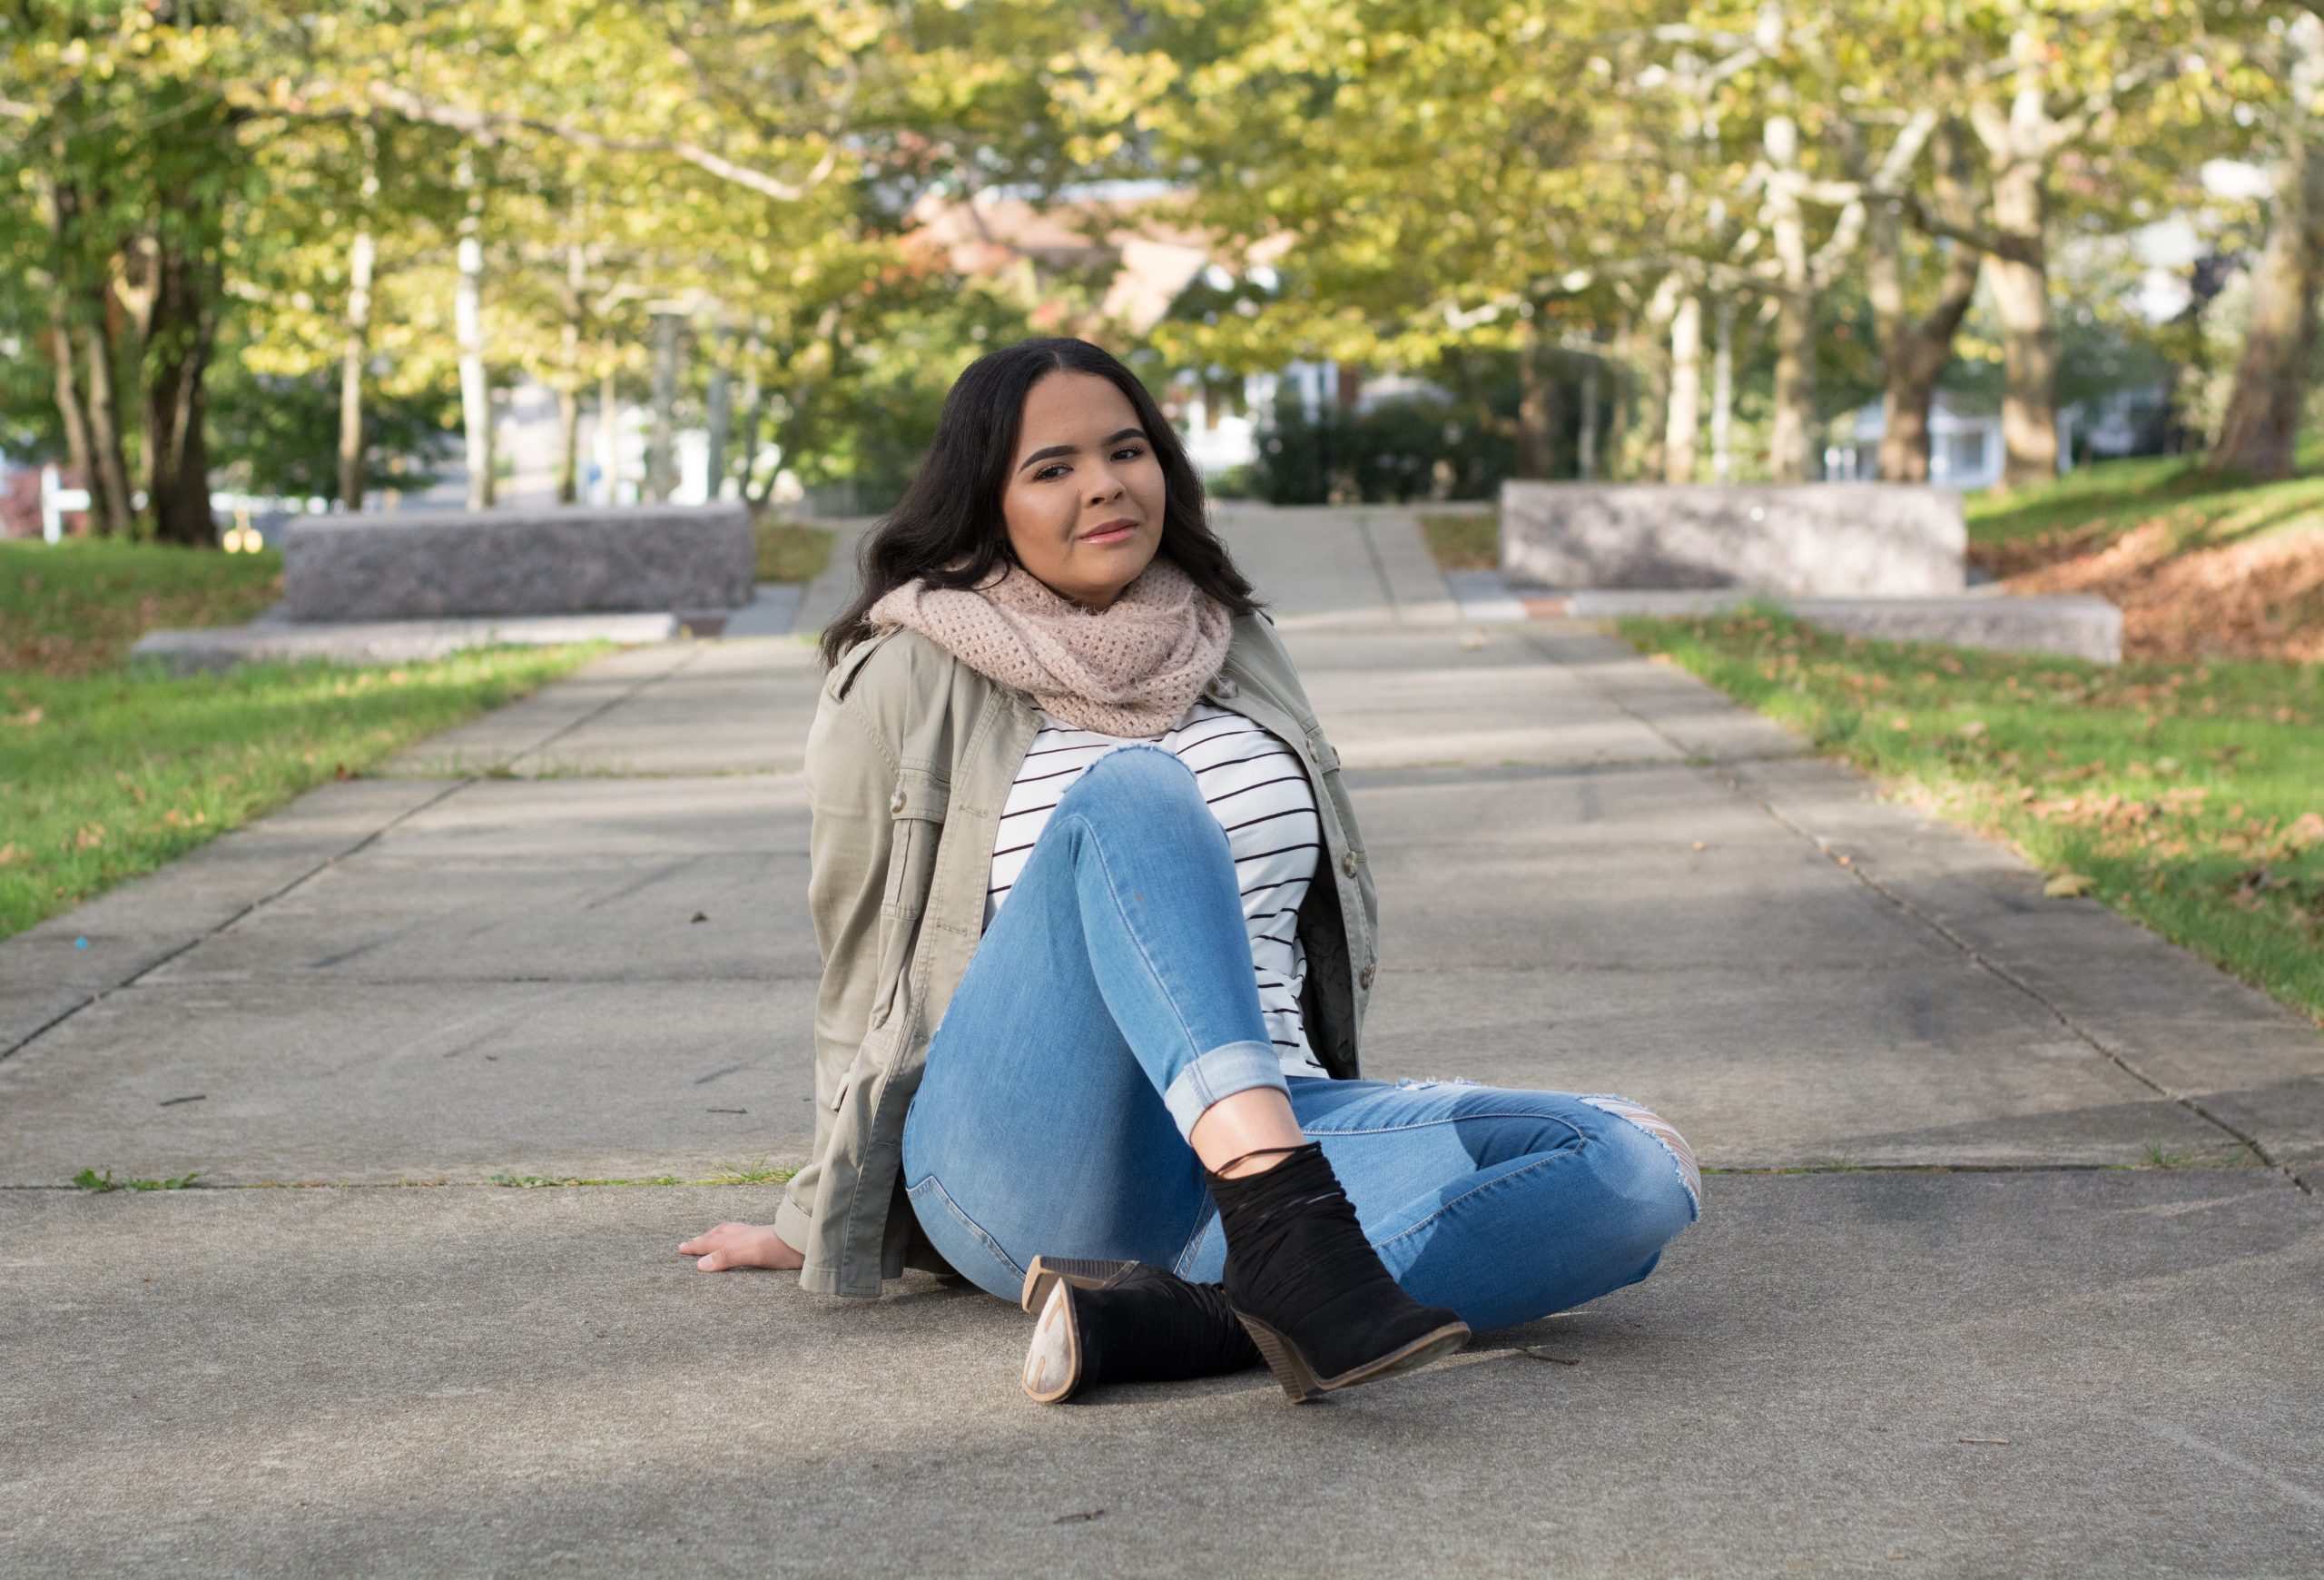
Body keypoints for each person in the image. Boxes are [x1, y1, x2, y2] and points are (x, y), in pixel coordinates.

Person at [680, 336, 1700, 1405]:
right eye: (1052, 468)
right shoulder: (900, 675)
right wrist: (818, 1216)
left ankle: (1187, 1319)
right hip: (1024, 1154)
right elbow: (859, 962)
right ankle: (1282, 1226)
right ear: (986, 501)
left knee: (1633, 1169)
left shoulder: (1233, 639)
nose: (1105, 485)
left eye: (1127, 451)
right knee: (1134, 792)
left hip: (1279, 1112)